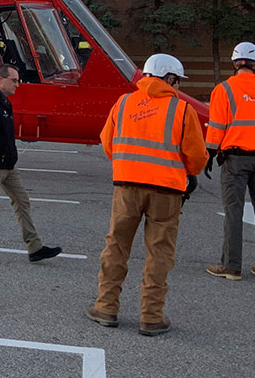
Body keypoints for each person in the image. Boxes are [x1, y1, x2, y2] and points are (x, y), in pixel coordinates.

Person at [86, 54, 207, 337]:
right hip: (167, 191)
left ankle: (106, 307)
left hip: (127, 187)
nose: (177, 86)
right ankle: (151, 316)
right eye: (177, 81)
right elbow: (197, 158)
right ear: (170, 79)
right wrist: (184, 171)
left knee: (116, 246)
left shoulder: (124, 103)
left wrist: (128, 165)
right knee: (159, 253)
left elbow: (107, 142)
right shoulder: (182, 110)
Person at [0, 63, 62, 266]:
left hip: (7, 165)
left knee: (22, 200)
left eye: (18, 80)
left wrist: (10, 154)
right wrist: (1, 153)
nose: (18, 84)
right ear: (0, 80)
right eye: (14, 80)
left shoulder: (5, 102)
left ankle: (34, 247)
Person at [205, 42, 255, 282]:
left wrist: (209, 154)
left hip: (234, 159)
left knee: (234, 212)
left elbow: (217, 127)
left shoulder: (224, 89)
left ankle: (231, 266)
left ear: (234, 63)